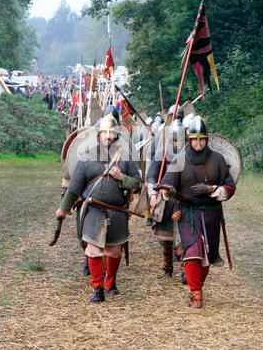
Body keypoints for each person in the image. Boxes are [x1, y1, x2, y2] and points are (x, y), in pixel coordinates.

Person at [56, 114, 141, 303]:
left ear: (116, 137)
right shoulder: (86, 158)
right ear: (98, 135)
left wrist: (122, 178)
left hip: (116, 212)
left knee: (114, 252)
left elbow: (137, 183)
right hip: (94, 211)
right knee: (93, 251)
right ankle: (97, 289)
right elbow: (74, 187)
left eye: (112, 134)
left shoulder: (125, 158)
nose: (108, 137)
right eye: (105, 133)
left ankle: (110, 281)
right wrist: (63, 208)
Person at [160, 116, 236, 309]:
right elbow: (168, 183)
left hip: (211, 215)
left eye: (201, 138)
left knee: (206, 257)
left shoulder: (218, 160)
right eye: (194, 138)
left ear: (207, 139)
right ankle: (196, 296)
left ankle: (197, 286)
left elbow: (230, 187)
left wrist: (211, 189)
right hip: (188, 214)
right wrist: (167, 190)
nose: (198, 142)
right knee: (192, 254)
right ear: (188, 139)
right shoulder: (179, 160)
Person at [146, 119, 187, 282]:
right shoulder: (162, 153)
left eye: (181, 140)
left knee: (185, 237)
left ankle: (185, 271)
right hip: (166, 201)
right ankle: (168, 268)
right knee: (166, 239)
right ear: (171, 139)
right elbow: (151, 177)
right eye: (175, 140)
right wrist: (153, 195)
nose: (178, 143)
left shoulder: (190, 155)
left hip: (184, 200)